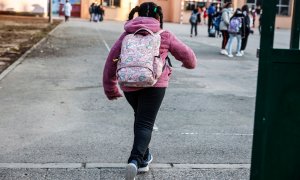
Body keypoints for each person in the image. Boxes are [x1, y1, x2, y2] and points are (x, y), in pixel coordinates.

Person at [102, 2, 197, 180]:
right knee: (145, 123)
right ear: (158, 17)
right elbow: (189, 57)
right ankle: (135, 160)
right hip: (155, 85)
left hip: (129, 84)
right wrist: (188, 64)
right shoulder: (164, 35)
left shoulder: (126, 35)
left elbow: (111, 61)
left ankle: (144, 159)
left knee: (141, 120)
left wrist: (110, 87)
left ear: (137, 14)